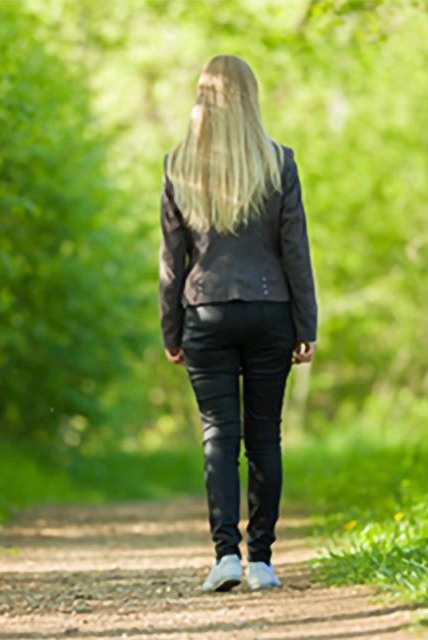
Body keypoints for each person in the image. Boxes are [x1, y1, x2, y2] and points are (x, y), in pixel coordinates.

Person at [158, 54, 317, 592]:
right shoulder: (278, 163)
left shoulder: (178, 165)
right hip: (271, 310)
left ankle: (225, 555)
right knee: (264, 437)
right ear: (251, 97)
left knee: (218, 436)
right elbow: (295, 250)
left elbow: (171, 258)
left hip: (204, 310)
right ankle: (263, 561)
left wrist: (170, 329)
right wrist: (306, 322)